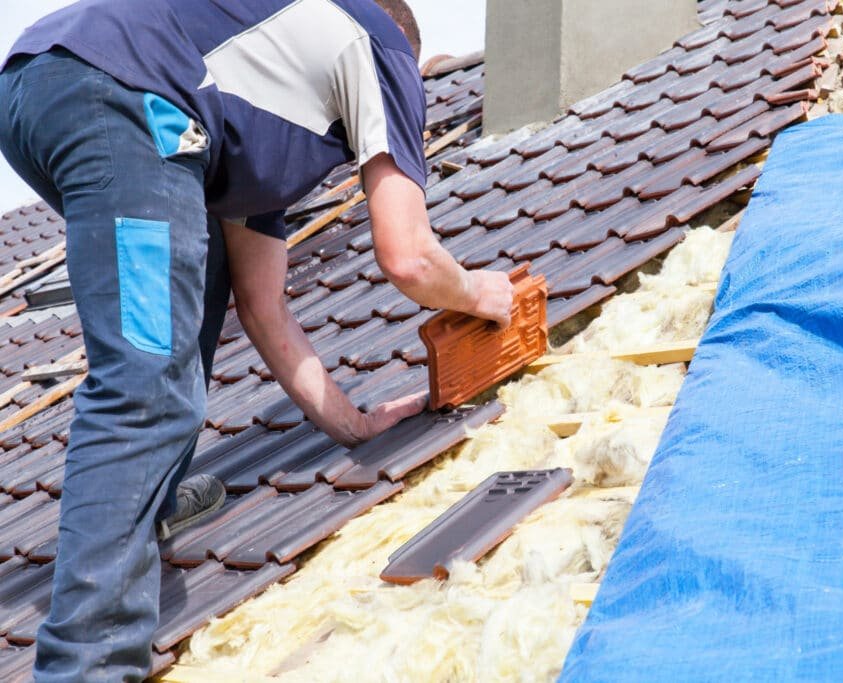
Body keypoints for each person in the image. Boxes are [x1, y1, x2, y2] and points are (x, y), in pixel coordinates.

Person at [0, 0, 513, 679]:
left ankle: (149, 496)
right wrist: (482, 293)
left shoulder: (257, 120)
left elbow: (262, 307)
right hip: (121, 97)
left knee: (197, 264)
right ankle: (86, 667)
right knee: (147, 382)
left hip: (49, 85)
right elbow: (408, 254)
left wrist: (354, 423)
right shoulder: (382, 46)